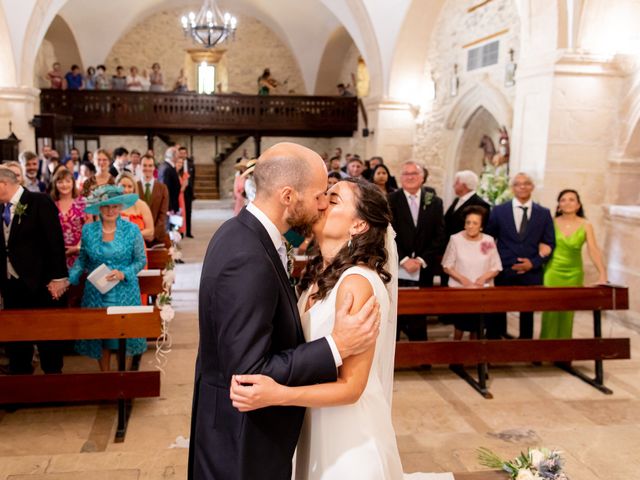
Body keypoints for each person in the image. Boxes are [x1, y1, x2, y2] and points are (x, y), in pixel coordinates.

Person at [188, 142, 381, 480]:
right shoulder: (248, 254)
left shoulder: (243, 234)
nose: (322, 203)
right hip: (241, 442)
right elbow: (248, 371)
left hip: (245, 432)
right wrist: (336, 345)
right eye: (321, 194)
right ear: (289, 196)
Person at [229, 178, 403, 480]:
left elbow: (352, 387)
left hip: (349, 439)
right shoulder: (319, 277)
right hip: (316, 424)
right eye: (323, 196)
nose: (321, 203)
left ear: (359, 225)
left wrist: (278, 394)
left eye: (333, 201)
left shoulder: (357, 282)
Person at [68, 185, 147, 371]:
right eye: (105, 206)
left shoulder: (132, 230)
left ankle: (123, 380)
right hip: (96, 293)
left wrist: (123, 273)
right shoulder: (89, 231)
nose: (110, 211)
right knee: (101, 337)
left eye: (114, 206)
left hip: (125, 292)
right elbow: (82, 261)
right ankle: (106, 378)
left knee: (126, 338)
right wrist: (69, 279)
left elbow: (140, 260)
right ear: (98, 208)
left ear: (120, 207)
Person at [0, 168, 68, 374]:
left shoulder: (39, 201)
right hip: (11, 284)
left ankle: (53, 384)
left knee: (48, 340)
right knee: (17, 340)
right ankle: (21, 386)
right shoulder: (1, 208)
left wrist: (59, 278)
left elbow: (55, 241)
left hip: (41, 283)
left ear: (3, 184)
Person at [485, 173, 556, 339]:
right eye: (518, 184)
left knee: (527, 314)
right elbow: (488, 240)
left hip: (530, 271)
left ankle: (526, 347)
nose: (522, 187)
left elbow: (550, 243)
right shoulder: (499, 211)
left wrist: (534, 263)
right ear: (512, 188)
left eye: (526, 183)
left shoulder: (543, 213)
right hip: (504, 270)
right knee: (498, 311)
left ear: (532, 187)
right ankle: (496, 343)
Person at [389, 161, 446, 340]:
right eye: (406, 174)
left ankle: (420, 353)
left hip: (423, 267)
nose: (410, 177)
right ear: (401, 177)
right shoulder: (390, 200)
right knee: (395, 311)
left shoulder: (435, 202)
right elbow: (387, 233)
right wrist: (404, 259)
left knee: (420, 311)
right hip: (398, 266)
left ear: (422, 178)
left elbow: (440, 234)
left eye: (414, 173)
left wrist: (421, 260)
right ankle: (395, 353)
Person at [540, 189, 608, 339]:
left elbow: (593, 249)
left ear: (578, 205)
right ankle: (544, 350)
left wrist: (602, 273)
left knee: (567, 312)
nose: (567, 202)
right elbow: (541, 244)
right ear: (558, 205)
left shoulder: (586, 225)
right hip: (553, 271)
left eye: (572, 199)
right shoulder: (550, 222)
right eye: (563, 200)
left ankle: (564, 354)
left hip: (574, 272)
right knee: (550, 311)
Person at [442, 206, 502, 340]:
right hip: (460, 291)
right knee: (460, 325)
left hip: (482, 291)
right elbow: (447, 265)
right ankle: (456, 357)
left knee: (477, 326)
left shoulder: (487, 241)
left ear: (481, 226)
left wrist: (483, 278)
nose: (470, 226)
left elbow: (496, 266)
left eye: (475, 223)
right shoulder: (456, 239)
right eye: (468, 222)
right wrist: (462, 279)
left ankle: (475, 356)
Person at [50, 168, 91, 269]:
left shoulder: (83, 202)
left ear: (73, 183)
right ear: (55, 184)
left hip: (80, 252)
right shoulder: (50, 204)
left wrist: (78, 247)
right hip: (56, 254)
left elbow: (89, 229)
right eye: (60, 182)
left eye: (68, 181)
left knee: (78, 283)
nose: (64, 185)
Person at [444, 170, 491, 237]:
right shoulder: (457, 200)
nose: (453, 185)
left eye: (457, 183)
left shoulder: (480, 204)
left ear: (464, 185)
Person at [137, 154, 170, 247]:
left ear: (154, 168)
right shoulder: (134, 186)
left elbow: (163, 214)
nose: (147, 168)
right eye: (144, 165)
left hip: (157, 236)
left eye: (150, 165)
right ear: (140, 167)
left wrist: (152, 233)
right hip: (138, 235)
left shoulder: (162, 188)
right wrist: (143, 233)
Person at [116, 172, 154, 243]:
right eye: (123, 186)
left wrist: (133, 235)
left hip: (138, 248)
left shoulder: (142, 205)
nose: (126, 190)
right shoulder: (110, 206)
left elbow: (150, 231)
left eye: (130, 186)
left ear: (134, 188)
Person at [158, 147, 181, 217]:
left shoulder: (168, 167)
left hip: (172, 204)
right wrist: (169, 208)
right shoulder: (167, 168)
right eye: (177, 155)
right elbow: (166, 189)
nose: (178, 157)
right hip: (169, 207)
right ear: (173, 156)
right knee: (169, 227)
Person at [178, 146, 195, 238]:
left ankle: (188, 231)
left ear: (186, 154)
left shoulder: (191, 164)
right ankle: (180, 232)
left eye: (184, 153)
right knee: (180, 211)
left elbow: (193, 178)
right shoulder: (177, 164)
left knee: (188, 211)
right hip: (180, 190)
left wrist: (193, 191)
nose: (182, 155)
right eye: (181, 153)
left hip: (188, 190)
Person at [174, 155, 189, 236]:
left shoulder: (182, 174)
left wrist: (185, 182)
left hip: (180, 196)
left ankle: (180, 231)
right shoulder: (173, 173)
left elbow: (183, 188)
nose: (180, 164)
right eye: (178, 162)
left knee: (181, 213)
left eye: (181, 163)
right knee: (175, 214)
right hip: (175, 196)